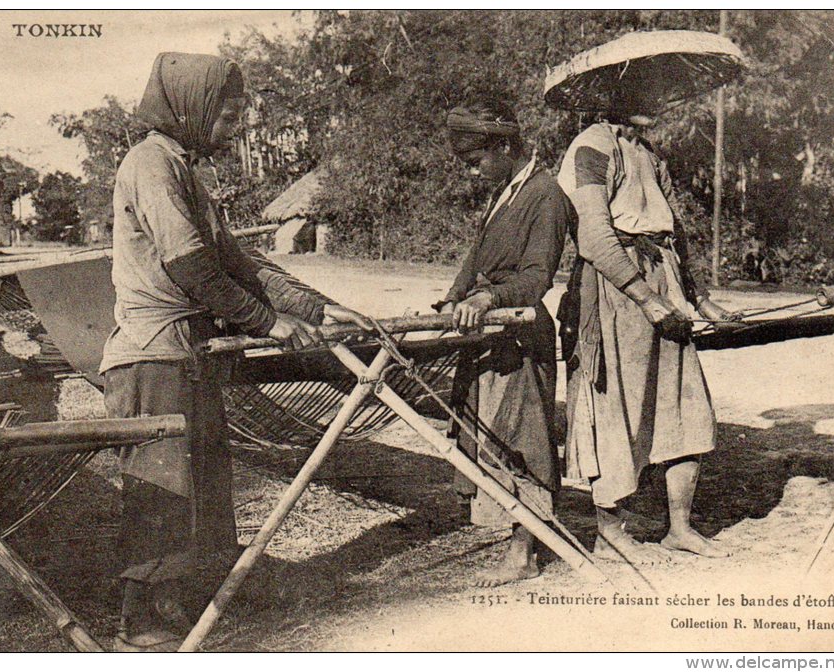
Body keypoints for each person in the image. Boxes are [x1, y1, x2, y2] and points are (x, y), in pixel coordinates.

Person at [100, 52, 372, 652]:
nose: (234, 129)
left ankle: (188, 607)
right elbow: (191, 264)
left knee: (205, 487)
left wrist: (316, 309)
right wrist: (267, 323)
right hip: (152, 354)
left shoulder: (187, 170)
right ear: (193, 111)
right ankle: (140, 626)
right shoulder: (150, 164)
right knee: (161, 492)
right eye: (226, 117)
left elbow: (239, 263)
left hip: (191, 353)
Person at [557, 110, 741, 566]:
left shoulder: (648, 152)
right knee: (619, 407)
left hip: (664, 282)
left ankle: (679, 527)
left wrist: (699, 300)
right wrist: (642, 296)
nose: (656, 100)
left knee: (685, 404)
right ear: (614, 95)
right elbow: (594, 236)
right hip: (614, 289)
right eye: (644, 90)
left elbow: (674, 233)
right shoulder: (591, 146)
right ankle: (610, 532)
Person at [436, 98, 573, 587]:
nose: (474, 173)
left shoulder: (546, 196)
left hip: (520, 336)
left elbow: (537, 278)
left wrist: (490, 296)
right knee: (490, 432)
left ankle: (525, 553)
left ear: (504, 146)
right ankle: (518, 535)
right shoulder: (505, 193)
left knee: (524, 441)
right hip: (490, 333)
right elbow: (475, 258)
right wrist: (453, 297)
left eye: (477, 163)